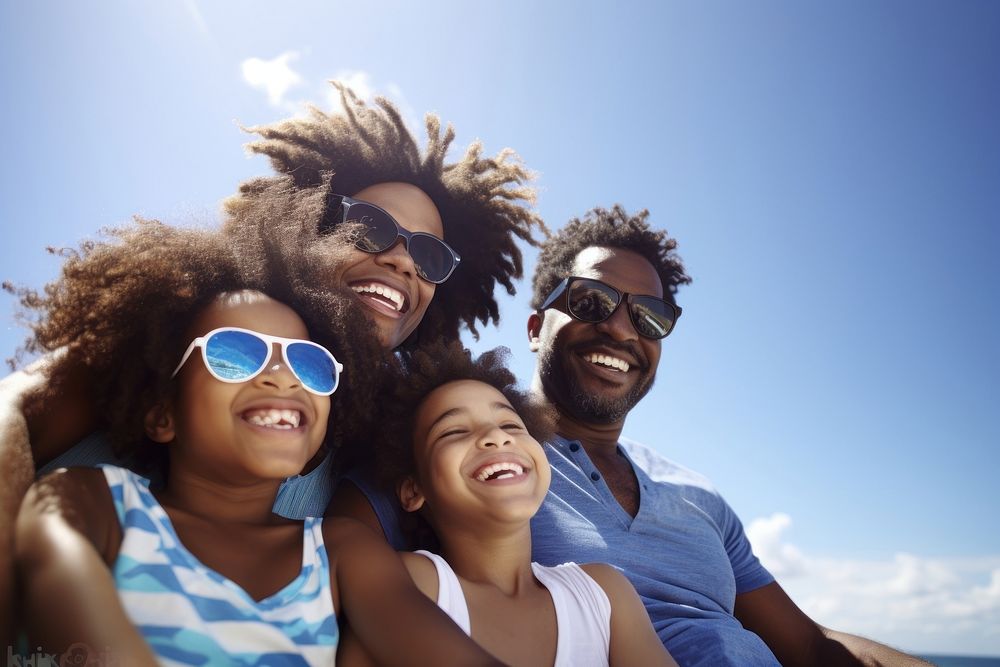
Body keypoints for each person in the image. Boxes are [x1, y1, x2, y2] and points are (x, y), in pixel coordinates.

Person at [0, 81, 546, 643]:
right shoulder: (187, 327)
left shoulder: (385, 435)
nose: (403, 261)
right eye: (370, 226)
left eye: (429, 256)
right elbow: (11, 414)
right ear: (303, 223)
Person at [12, 221, 500, 665]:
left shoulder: (342, 551)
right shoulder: (89, 499)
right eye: (235, 353)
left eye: (309, 365)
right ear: (163, 412)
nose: (282, 378)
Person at [525, 205, 930, 666]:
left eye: (649, 317)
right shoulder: (481, 458)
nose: (620, 329)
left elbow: (812, 647)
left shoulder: (696, 495)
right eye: (592, 300)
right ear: (536, 328)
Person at [337, 343, 676, 666]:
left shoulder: (604, 594)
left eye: (511, 425)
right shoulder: (411, 583)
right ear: (414, 490)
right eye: (453, 431)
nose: (497, 436)